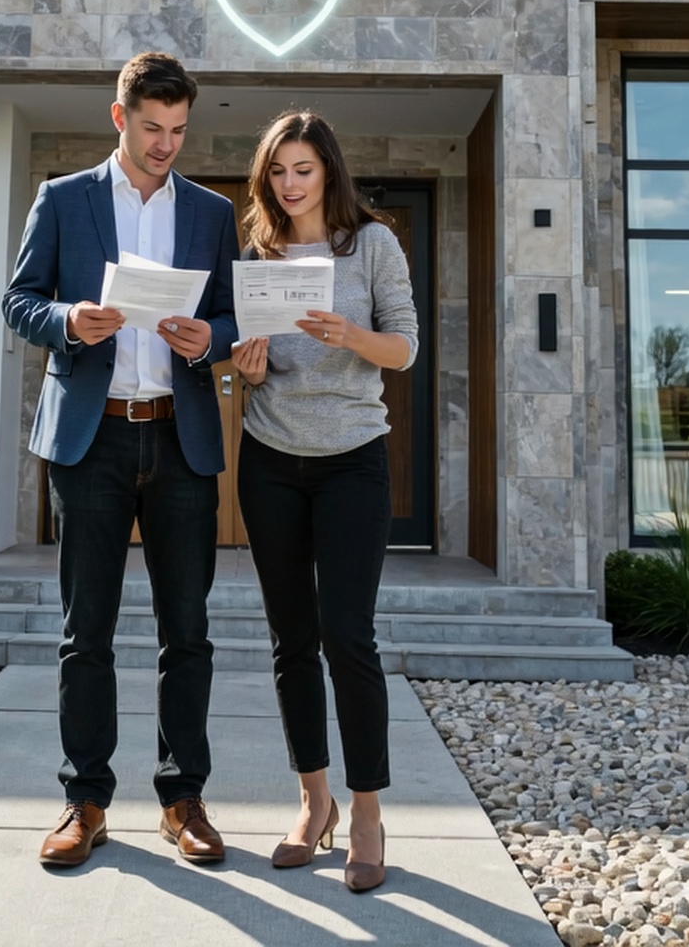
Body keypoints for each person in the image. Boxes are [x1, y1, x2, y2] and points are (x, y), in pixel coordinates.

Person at [3, 52, 239, 869]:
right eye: (152, 128)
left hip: (180, 438)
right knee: (86, 634)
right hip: (90, 437)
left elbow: (233, 318)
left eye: (178, 130)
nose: (167, 143)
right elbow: (19, 301)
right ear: (120, 118)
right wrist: (70, 320)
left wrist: (213, 338)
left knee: (189, 633)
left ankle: (183, 801)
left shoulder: (211, 212)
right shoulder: (63, 200)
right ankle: (86, 802)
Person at [229, 111, 419, 894]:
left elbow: (403, 348)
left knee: (349, 636)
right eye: (278, 171)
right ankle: (314, 804)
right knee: (289, 641)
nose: (290, 183)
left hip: (351, 463)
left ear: (328, 172)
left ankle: (368, 810)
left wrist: (352, 335)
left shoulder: (372, 245)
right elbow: (253, 370)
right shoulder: (258, 253)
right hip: (271, 461)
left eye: (303, 168)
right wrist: (246, 365)